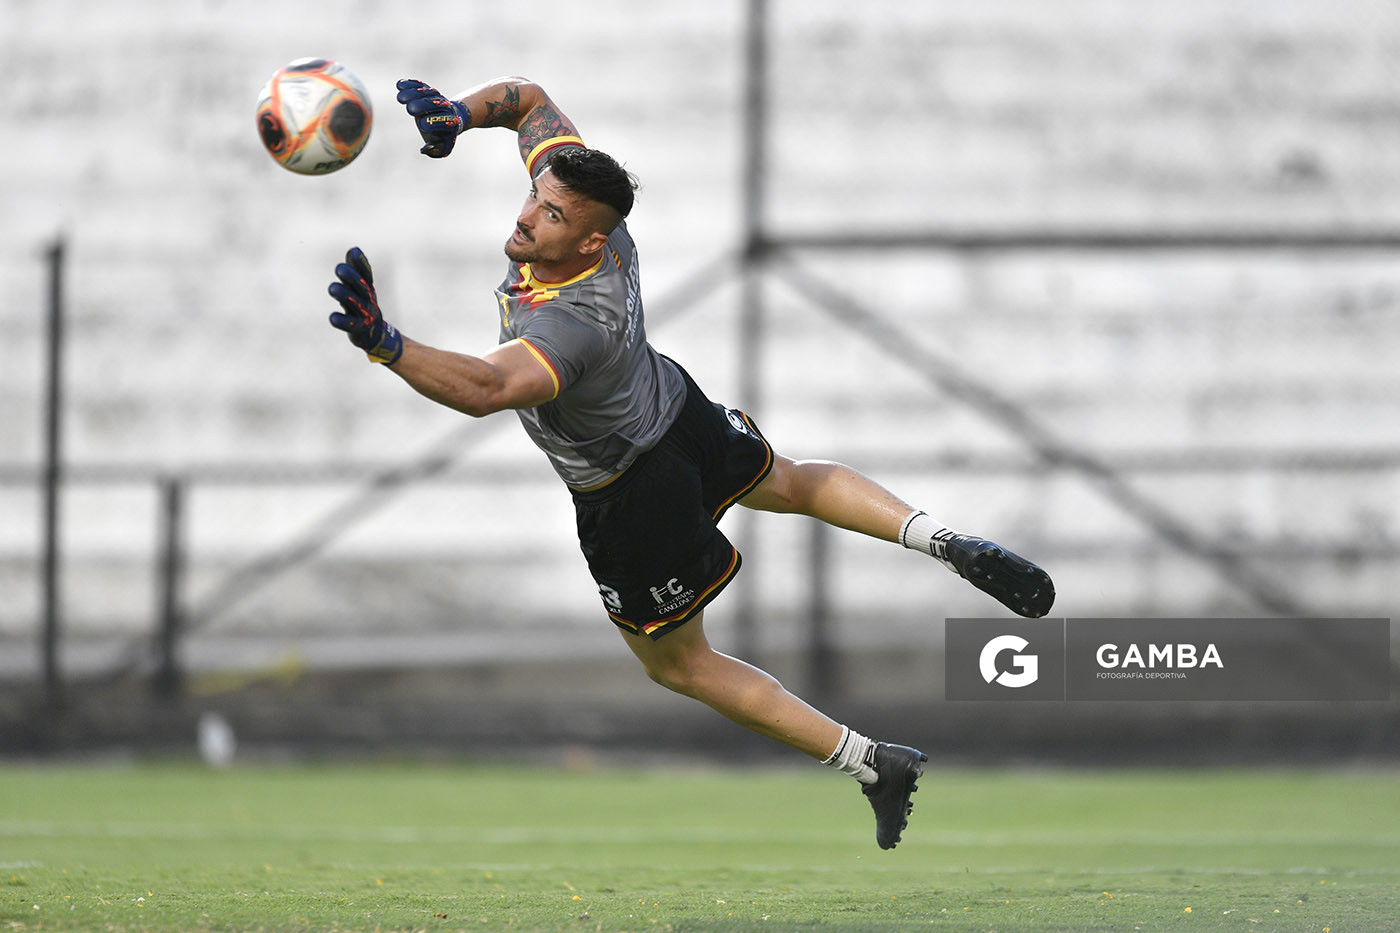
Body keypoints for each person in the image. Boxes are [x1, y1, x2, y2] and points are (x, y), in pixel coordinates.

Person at [326, 76, 1055, 850]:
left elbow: (487, 387)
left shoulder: (574, 324)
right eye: (536, 196)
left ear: (590, 245)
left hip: (634, 493)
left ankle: (873, 763)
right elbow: (528, 101)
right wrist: (458, 117)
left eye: (551, 215)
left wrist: (385, 343)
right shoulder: (593, 214)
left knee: (681, 665)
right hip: (678, 409)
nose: (527, 214)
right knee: (794, 479)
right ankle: (945, 541)